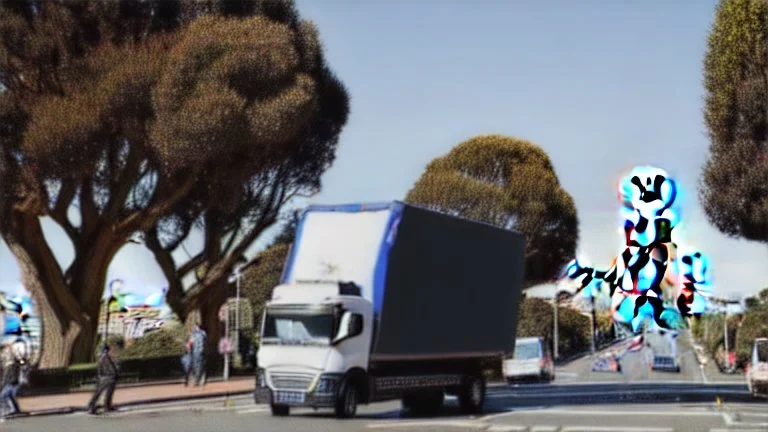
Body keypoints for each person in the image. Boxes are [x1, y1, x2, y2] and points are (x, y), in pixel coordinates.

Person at [88, 344, 119, 414]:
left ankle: (106, 406)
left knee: (107, 393)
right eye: (108, 350)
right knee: (100, 393)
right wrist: (114, 374)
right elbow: (110, 368)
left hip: (105, 377)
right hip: (108, 377)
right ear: (106, 350)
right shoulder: (105, 357)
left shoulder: (101, 357)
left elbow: (100, 369)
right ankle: (92, 406)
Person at [1, 342, 24, 418]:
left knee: (4, 395)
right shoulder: (7, 355)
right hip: (11, 376)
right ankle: (15, 409)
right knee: (10, 395)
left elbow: (19, 359)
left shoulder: (11, 355)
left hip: (12, 375)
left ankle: (8, 410)